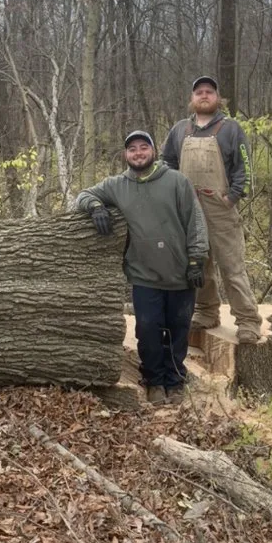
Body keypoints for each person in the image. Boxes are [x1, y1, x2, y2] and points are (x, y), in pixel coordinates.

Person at [76, 130, 208, 407]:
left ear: (153, 151)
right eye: (132, 149)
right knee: (147, 329)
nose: (138, 153)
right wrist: (96, 207)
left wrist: (197, 259)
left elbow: (195, 221)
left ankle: (175, 381)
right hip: (143, 274)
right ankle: (155, 381)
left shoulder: (176, 181)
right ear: (126, 155)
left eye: (143, 147)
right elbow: (84, 195)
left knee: (178, 329)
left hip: (180, 272)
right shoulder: (117, 185)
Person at [161, 76, 262, 343]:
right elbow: (166, 162)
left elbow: (244, 167)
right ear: (192, 99)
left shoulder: (231, 129)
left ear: (218, 99)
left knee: (232, 266)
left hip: (219, 205)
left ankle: (249, 321)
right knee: (197, 263)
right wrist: (174, 192)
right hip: (187, 207)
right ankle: (206, 311)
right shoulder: (180, 130)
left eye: (209, 92)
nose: (204, 95)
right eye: (199, 92)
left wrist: (232, 198)